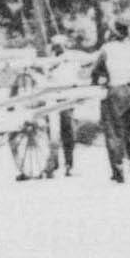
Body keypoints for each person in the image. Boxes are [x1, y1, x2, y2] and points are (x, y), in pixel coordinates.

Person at [91, 19, 130, 183]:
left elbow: (96, 70)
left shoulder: (107, 49)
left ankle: (118, 171)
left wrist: (96, 81)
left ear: (113, 32)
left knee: (114, 133)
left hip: (115, 92)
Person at [45, 34, 80, 178]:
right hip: (53, 99)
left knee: (68, 131)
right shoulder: (50, 61)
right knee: (52, 132)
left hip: (67, 99)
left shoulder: (72, 58)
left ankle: (69, 164)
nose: (59, 48)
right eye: (56, 46)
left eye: (61, 45)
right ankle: (54, 162)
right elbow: (47, 76)